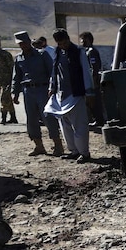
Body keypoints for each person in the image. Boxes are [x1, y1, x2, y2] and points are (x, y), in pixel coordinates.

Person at [45, 28, 94, 163]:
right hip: (60, 95)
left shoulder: (79, 52)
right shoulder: (57, 52)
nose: (63, 45)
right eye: (59, 43)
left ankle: (84, 153)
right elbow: (54, 72)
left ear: (68, 39)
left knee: (80, 125)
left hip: (76, 94)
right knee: (65, 125)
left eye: (64, 42)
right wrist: (51, 87)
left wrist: (89, 92)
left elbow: (86, 72)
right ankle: (73, 151)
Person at [12, 31, 64, 156]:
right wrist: (15, 93)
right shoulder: (18, 58)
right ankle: (39, 146)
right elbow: (16, 77)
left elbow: (52, 72)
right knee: (32, 119)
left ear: (29, 42)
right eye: (20, 44)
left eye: (24, 43)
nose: (22, 45)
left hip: (43, 90)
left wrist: (53, 88)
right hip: (28, 91)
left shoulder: (42, 55)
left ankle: (58, 145)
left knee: (48, 117)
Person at [79, 31, 105, 127]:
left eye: (82, 39)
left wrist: (94, 82)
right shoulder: (86, 51)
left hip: (93, 81)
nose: (81, 42)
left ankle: (99, 120)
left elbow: (94, 67)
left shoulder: (91, 51)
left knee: (95, 101)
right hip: (89, 80)